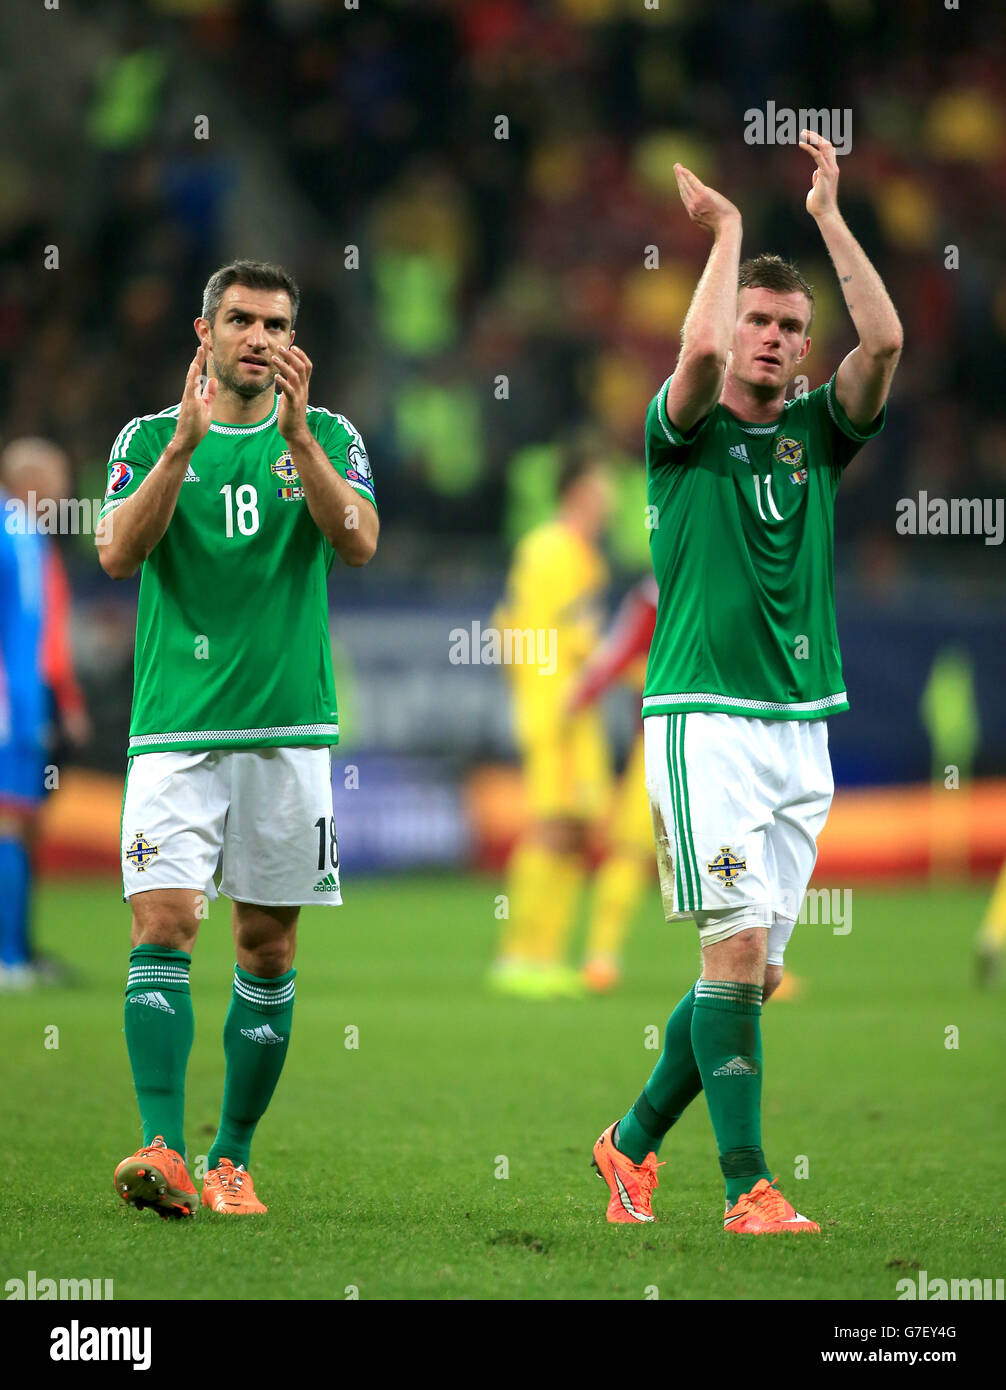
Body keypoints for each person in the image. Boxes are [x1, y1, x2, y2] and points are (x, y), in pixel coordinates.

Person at [592, 132, 902, 1232]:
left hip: (798, 730)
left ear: (802, 351)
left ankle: (627, 1142)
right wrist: (724, 234)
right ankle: (746, 1187)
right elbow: (694, 361)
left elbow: (887, 336)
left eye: (785, 328)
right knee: (726, 953)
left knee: (756, 977)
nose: (767, 339)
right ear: (729, 333)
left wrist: (825, 213)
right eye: (754, 323)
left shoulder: (818, 435)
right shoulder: (678, 437)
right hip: (702, 720)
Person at [96, 259, 378, 1218]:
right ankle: (163, 1149)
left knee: (265, 948)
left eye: (277, 323)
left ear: (294, 342)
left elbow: (359, 542)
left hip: (289, 732)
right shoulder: (146, 439)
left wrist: (301, 444)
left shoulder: (329, 437)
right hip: (174, 732)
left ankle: (232, 1159)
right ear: (204, 332)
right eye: (243, 320)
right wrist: (180, 452)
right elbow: (117, 552)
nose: (260, 338)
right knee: (163, 923)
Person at [489, 452, 613, 1000]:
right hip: (559, 707)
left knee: (580, 830)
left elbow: (506, 627)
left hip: (572, 706)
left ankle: (547, 955)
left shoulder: (577, 554)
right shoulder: (554, 550)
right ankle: (520, 955)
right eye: (602, 484)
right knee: (553, 824)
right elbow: (553, 635)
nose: (610, 497)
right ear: (578, 490)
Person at [0, 440, 92, 987]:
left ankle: (19, 952)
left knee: (22, 823)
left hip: (26, 704)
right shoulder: (14, 534)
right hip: (12, 705)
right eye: (55, 477)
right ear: (28, 479)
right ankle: (10, 960)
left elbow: (42, 633)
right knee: (11, 821)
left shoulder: (31, 536)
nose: (63, 490)